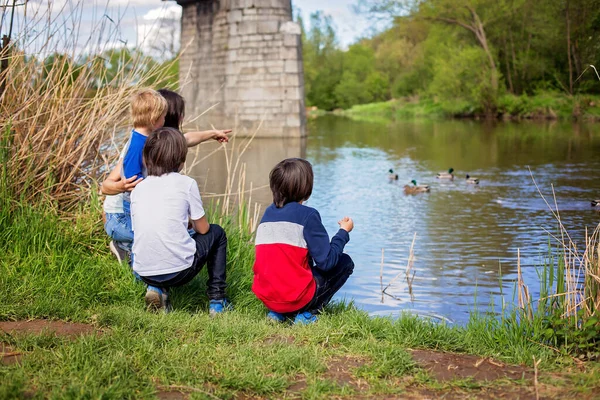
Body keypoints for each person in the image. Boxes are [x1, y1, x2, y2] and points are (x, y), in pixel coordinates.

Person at [101, 89, 231, 263]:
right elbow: (115, 186)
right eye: (179, 114)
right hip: (121, 218)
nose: (182, 119)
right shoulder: (137, 147)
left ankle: (134, 252)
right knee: (173, 235)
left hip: (133, 214)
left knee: (177, 232)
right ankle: (126, 249)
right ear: (158, 119)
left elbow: (187, 139)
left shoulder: (155, 141)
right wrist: (120, 186)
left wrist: (213, 134)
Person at [131, 127, 230, 315]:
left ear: (147, 158)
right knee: (217, 233)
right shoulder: (186, 183)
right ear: (181, 159)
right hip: (180, 271)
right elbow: (203, 229)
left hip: (144, 271)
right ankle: (218, 300)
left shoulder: (138, 188)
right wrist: (191, 223)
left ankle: (156, 289)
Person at [252, 158, 355, 324]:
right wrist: (343, 232)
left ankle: (278, 313)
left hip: (268, 297)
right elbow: (327, 262)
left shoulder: (268, 214)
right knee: (344, 262)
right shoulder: (308, 216)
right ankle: (307, 313)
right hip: (293, 296)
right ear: (306, 188)